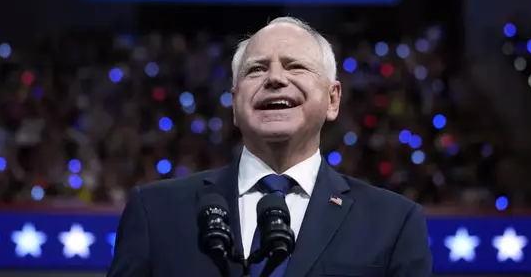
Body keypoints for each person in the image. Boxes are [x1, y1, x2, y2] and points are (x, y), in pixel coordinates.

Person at [107, 17, 432, 277]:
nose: (274, 78)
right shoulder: (156, 212)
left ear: (333, 99)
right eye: (256, 69)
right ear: (235, 104)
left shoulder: (393, 223)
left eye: (295, 66)